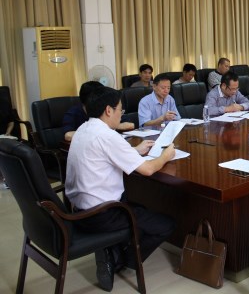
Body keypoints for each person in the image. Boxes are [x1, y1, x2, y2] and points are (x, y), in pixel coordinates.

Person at [65, 86, 175, 291]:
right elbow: (148, 169)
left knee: (139, 206)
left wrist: (134, 150)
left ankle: (112, 251)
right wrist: (165, 156)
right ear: (109, 110)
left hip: (78, 210)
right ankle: (122, 259)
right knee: (165, 224)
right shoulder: (108, 136)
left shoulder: (84, 129)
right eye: (120, 110)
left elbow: (104, 154)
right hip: (102, 214)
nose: (121, 114)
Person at [63, 81, 134, 141]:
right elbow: (68, 135)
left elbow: (130, 125)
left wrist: (112, 126)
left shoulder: (106, 109)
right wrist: (97, 132)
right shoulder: (73, 112)